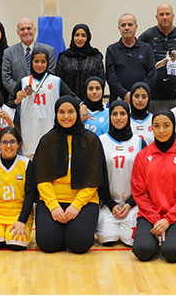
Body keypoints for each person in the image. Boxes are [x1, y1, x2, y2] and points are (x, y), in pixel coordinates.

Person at [32, 96, 105, 254]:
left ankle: (69, 231)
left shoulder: (91, 140)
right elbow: (41, 177)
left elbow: (94, 178)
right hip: (53, 201)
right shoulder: (47, 140)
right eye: (61, 112)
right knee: (48, 243)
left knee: (80, 243)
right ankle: (61, 231)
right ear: (56, 114)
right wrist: (53, 206)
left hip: (84, 201)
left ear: (78, 114)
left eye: (71, 112)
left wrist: (76, 206)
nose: (66, 116)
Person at [131, 110, 176, 263]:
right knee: (143, 251)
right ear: (151, 128)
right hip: (149, 216)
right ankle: (154, 240)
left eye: (166, 126)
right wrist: (155, 220)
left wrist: (167, 220)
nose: (161, 131)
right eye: (157, 126)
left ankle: (167, 239)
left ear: (174, 126)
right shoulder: (142, 156)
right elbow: (139, 193)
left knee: (172, 253)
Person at [11, 48, 74, 158]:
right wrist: (16, 101)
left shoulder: (56, 81)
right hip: (29, 132)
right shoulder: (23, 82)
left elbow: (72, 97)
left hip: (50, 130)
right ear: (31, 62)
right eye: (36, 61)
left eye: (43, 62)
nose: (39, 65)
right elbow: (9, 105)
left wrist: (82, 105)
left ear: (48, 63)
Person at [96, 100, 142, 247]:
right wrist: (110, 204)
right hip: (108, 205)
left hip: (132, 205)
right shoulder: (101, 141)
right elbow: (98, 177)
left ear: (128, 116)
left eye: (122, 113)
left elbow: (143, 179)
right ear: (109, 117)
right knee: (109, 239)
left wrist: (129, 204)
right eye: (114, 114)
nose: (118, 118)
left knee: (130, 240)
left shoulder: (139, 142)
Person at [0, 127, 35, 250]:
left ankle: (9, 234)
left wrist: (22, 221)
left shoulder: (26, 164)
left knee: (16, 245)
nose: (8, 146)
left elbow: (30, 195)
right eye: (4, 142)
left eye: (12, 142)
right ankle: (1, 233)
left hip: (18, 214)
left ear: (18, 144)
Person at [138, 4, 176, 111]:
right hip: (152, 95)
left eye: (167, 14)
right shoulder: (147, 36)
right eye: (161, 14)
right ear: (156, 17)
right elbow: (138, 58)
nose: (165, 17)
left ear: (173, 16)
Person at [1, 17, 56, 100]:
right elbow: (6, 78)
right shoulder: (8, 52)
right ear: (18, 32)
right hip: (18, 100)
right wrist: (21, 92)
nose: (26, 32)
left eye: (29, 28)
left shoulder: (49, 50)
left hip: (42, 99)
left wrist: (36, 91)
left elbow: (50, 73)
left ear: (35, 30)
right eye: (22, 29)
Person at [105, 14, 156, 103]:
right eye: (123, 25)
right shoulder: (111, 49)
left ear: (136, 27)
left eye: (130, 24)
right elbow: (111, 77)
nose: (127, 28)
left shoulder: (146, 48)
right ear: (119, 28)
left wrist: (138, 93)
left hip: (142, 99)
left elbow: (152, 74)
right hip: (119, 99)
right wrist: (125, 94)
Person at [56, 24, 105, 102]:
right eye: (77, 35)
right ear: (73, 37)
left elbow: (101, 81)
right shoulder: (64, 57)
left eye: (83, 35)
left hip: (91, 103)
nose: (80, 38)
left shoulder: (96, 56)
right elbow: (58, 82)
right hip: (68, 102)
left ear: (88, 37)